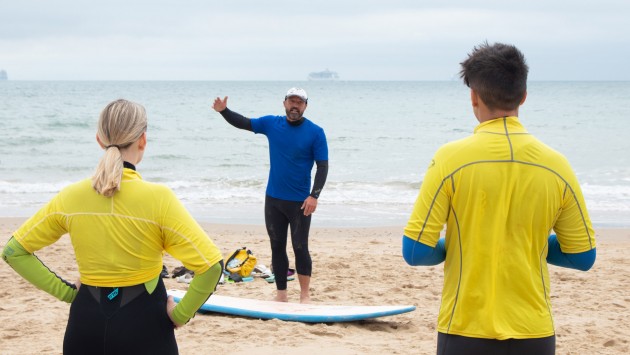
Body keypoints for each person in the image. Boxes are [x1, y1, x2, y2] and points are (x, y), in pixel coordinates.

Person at [402, 42, 596, 355]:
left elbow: (415, 251)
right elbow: (582, 256)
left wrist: (460, 245)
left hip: (464, 329)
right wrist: (533, 245)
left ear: (473, 97)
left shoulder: (450, 160)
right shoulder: (557, 165)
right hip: (534, 333)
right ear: (523, 96)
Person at [2, 99, 224, 354]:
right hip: (146, 327)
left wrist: (66, 293)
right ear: (142, 139)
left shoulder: (70, 197)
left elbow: (13, 252)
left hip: (84, 326)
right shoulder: (159, 199)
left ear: (99, 140)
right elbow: (211, 266)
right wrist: (181, 315)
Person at [212, 88, 328, 303]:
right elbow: (244, 122)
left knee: (300, 247)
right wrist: (224, 111)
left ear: (305, 106)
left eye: (299, 102)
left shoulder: (315, 132)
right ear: (284, 103)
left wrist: (314, 196)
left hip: (300, 202)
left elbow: (322, 166)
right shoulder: (271, 124)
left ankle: (304, 295)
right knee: (277, 246)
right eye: (291, 101)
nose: (295, 105)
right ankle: (281, 295)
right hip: (273, 199)